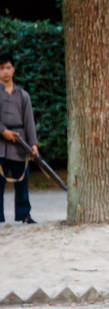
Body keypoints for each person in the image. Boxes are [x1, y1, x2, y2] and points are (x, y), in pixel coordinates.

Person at [0, 52, 39, 224]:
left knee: (22, 182)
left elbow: (29, 121)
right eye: (1, 68)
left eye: (8, 68)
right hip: (0, 144)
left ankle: (24, 214)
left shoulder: (23, 95)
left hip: (19, 143)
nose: (5, 72)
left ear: (13, 69)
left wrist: (33, 145)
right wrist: (3, 131)